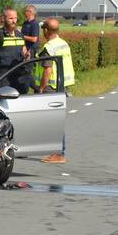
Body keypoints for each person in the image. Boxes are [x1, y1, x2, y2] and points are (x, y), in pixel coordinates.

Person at [37, 17, 73, 164]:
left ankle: (58, 153)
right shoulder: (63, 43)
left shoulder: (49, 48)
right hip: (62, 85)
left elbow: (47, 70)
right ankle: (57, 152)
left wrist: (41, 88)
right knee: (56, 120)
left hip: (51, 87)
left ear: (46, 30)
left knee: (53, 121)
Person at [0, 7, 30, 94]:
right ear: (3, 19)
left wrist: (27, 55)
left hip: (19, 76)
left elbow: (24, 50)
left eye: (15, 18)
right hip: (4, 76)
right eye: (11, 18)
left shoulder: (20, 35)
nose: (14, 21)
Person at [21, 5, 41, 93]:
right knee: (23, 70)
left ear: (31, 12)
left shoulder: (34, 24)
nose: (25, 13)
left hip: (31, 50)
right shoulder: (25, 24)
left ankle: (36, 88)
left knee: (27, 71)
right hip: (24, 49)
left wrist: (22, 36)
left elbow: (34, 39)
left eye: (26, 11)